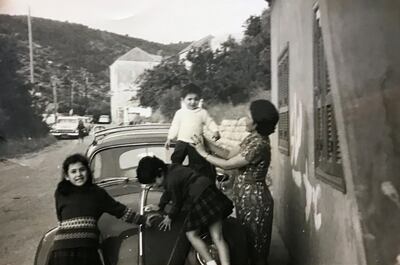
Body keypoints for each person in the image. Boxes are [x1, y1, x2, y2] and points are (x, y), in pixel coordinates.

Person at [192, 99, 279, 265]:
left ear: (257, 123)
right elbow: (227, 154)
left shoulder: (259, 145)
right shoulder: (251, 138)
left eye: (248, 117)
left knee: (256, 251)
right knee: (246, 245)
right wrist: (205, 141)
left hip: (255, 203)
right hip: (246, 201)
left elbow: (228, 164)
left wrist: (203, 153)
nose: (244, 120)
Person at [49, 154, 157, 265]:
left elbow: (120, 211)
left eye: (82, 170)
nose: (79, 174)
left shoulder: (96, 193)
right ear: (67, 176)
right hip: (62, 249)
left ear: (88, 171)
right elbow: (60, 219)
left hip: (86, 249)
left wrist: (143, 220)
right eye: (73, 172)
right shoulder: (61, 193)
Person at [137, 156, 233, 265]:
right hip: (211, 194)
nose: (154, 186)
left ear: (159, 172)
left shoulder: (172, 180)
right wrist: (161, 205)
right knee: (218, 237)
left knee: (191, 234)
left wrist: (170, 217)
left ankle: (210, 263)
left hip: (199, 198)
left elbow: (177, 202)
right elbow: (168, 192)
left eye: (153, 182)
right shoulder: (171, 169)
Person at [165, 83, 220, 181]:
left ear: (199, 100)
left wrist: (215, 131)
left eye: (196, 99)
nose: (193, 102)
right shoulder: (180, 113)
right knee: (176, 160)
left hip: (196, 143)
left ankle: (195, 181)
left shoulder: (202, 112)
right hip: (182, 141)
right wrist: (169, 138)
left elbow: (210, 122)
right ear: (183, 100)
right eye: (189, 99)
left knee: (198, 165)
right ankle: (174, 178)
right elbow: (175, 126)